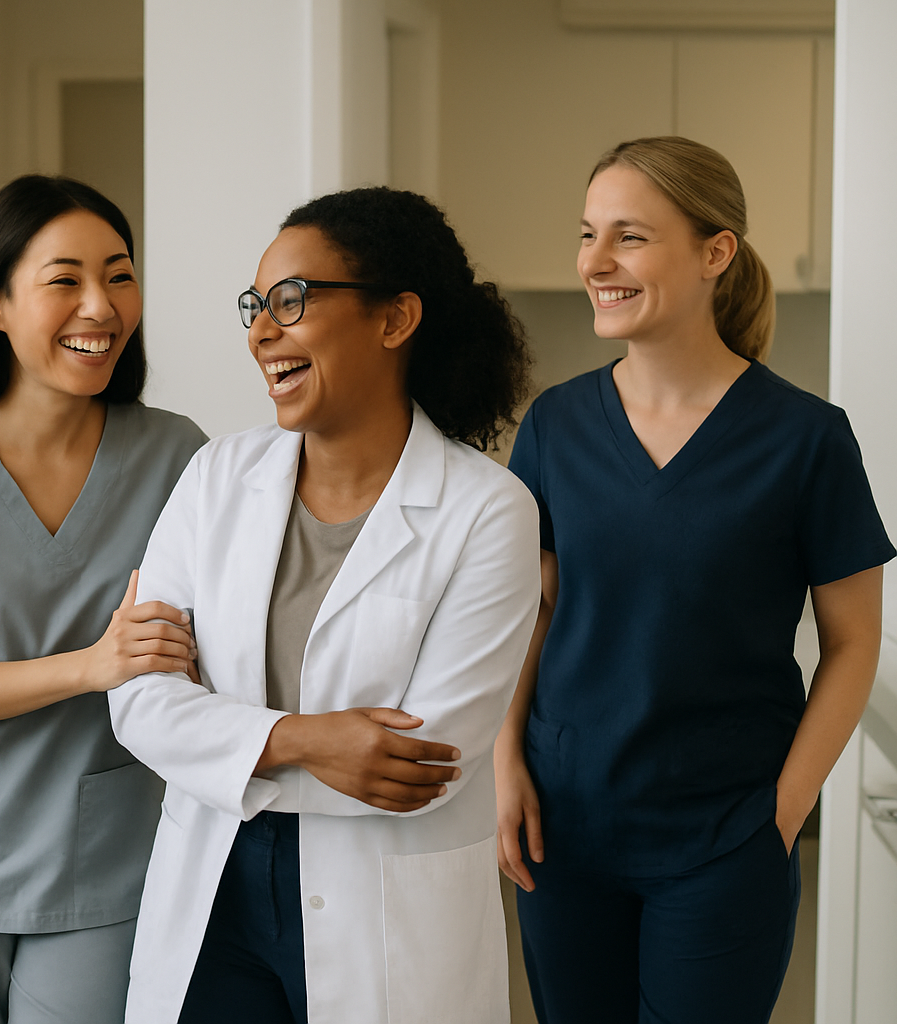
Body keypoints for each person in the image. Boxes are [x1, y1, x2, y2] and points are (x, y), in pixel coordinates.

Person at [107, 186, 542, 1024]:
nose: (261, 331)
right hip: (214, 889)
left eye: (293, 301)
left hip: (382, 906)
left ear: (395, 318)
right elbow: (138, 700)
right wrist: (305, 739)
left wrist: (223, 745)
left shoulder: (488, 510)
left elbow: (428, 764)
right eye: (255, 306)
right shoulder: (216, 478)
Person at [497, 136, 892, 1024]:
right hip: (566, 827)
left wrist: (783, 815)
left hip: (726, 838)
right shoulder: (555, 425)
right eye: (588, 233)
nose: (594, 262)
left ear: (716, 253)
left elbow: (854, 641)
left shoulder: (806, 440)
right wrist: (504, 762)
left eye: (628, 237)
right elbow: (534, 607)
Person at [0, 174, 208, 1024]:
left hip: (107, 850)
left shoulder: (179, 455)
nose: (101, 306)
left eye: (119, 275)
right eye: (65, 280)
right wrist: (92, 666)